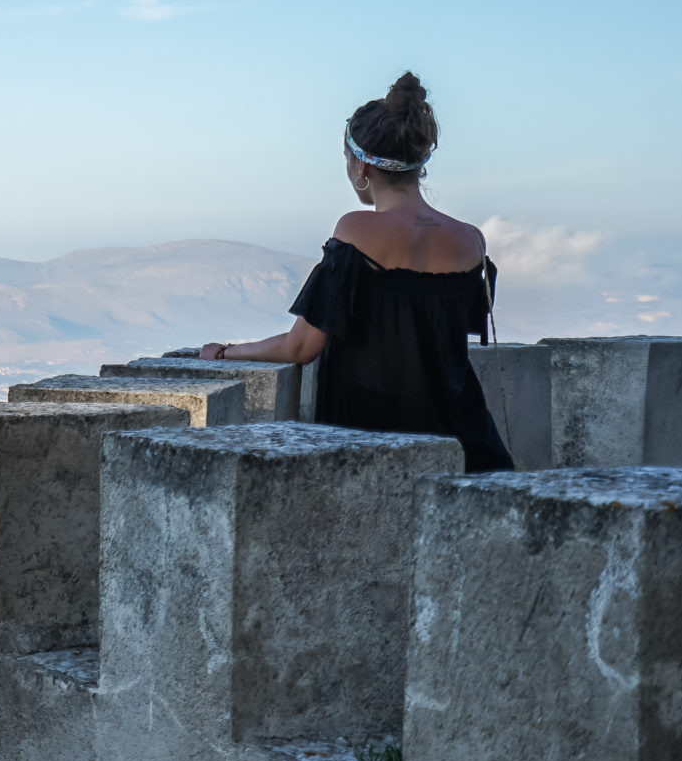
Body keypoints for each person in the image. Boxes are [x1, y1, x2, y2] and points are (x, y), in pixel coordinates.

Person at [199, 72, 514, 472]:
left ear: (362, 167)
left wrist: (226, 352)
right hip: (467, 446)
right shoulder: (471, 240)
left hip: (375, 448)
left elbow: (301, 347)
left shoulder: (356, 230)